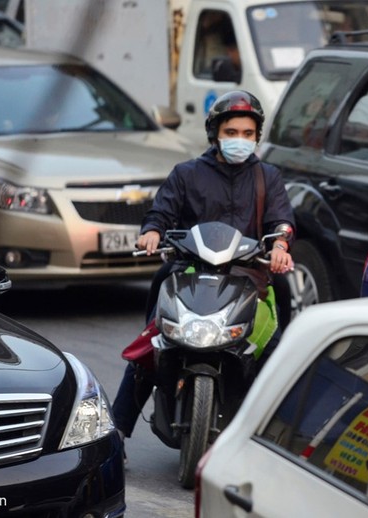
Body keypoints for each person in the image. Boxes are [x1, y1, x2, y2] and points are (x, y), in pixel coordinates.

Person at [112, 90, 295, 445]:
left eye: (247, 133)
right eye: (231, 133)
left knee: (274, 343)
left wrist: (280, 246)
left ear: (257, 136)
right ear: (215, 135)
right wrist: (151, 232)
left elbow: (281, 220)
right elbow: (161, 212)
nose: (239, 140)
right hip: (189, 271)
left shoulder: (267, 177)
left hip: (248, 274)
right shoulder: (187, 174)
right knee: (153, 341)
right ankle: (117, 431)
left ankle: (271, 435)